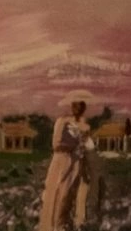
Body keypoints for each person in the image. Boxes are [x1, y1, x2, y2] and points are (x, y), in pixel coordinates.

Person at [39, 89, 96, 231]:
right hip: (63, 161)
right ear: (71, 106)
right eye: (76, 105)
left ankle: (72, 223)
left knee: (76, 192)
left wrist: (83, 148)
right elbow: (56, 144)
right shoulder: (62, 122)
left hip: (78, 162)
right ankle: (55, 225)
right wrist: (74, 145)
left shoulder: (85, 125)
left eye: (81, 105)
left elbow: (88, 144)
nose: (79, 108)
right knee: (61, 192)